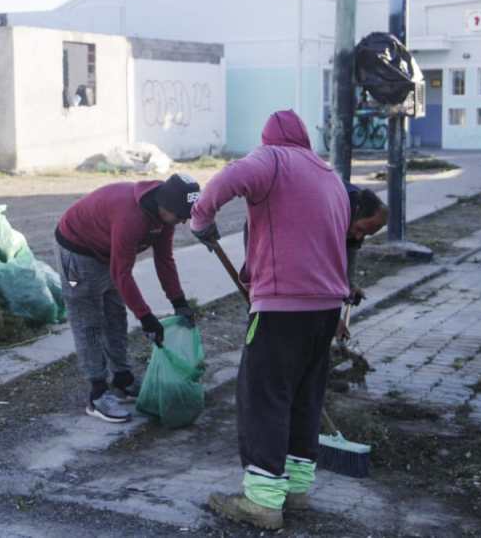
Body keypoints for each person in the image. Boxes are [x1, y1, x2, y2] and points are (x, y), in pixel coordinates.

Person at [191, 110, 350, 530]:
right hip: (326, 308)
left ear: (269, 139)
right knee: (303, 399)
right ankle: (295, 490)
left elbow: (227, 179)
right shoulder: (328, 174)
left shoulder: (272, 160)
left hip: (282, 310)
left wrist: (201, 219)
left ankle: (262, 502)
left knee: (264, 398)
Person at [56, 174, 200, 424]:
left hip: (106, 250)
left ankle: (122, 380)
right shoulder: (131, 218)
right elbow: (121, 273)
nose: (184, 221)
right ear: (164, 206)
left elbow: (164, 259)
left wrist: (179, 302)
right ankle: (97, 394)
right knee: (89, 322)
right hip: (77, 251)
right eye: (181, 216)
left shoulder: (165, 217)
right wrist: (145, 317)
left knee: (115, 315)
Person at [343, 184, 389, 308]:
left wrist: (350, 285)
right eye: (360, 229)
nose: (358, 237)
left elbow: (350, 249)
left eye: (365, 234)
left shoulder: (359, 217)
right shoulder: (336, 208)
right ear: (356, 211)